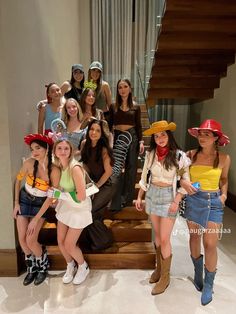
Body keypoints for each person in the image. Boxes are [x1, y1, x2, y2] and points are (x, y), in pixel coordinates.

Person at [135, 120, 190, 295]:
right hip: (152, 195)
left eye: (163, 134)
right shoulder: (151, 154)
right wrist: (139, 197)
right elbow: (144, 177)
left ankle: (165, 277)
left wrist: (177, 200)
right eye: (157, 136)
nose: (160, 138)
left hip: (169, 197)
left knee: (165, 239)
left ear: (169, 135)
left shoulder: (179, 156)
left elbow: (185, 181)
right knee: (158, 237)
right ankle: (159, 270)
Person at [27, 139, 92, 285]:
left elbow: (81, 196)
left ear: (71, 151)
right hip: (65, 207)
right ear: (55, 151)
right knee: (60, 241)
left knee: (69, 244)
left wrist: (58, 195)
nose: (63, 151)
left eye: (66, 148)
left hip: (79, 209)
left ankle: (83, 266)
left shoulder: (74, 168)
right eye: (60, 148)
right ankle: (70, 265)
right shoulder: (58, 167)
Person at [180, 119, 230, 306]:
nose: (202, 137)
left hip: (214, 202)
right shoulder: (190, 155)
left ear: (216, 138)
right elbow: (179, 175)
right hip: (193, 200)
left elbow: (224, 179)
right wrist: (184, 183)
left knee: (210, 243)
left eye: (207, 134)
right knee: (194, 238)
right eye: (201, 133)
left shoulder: (224, 158)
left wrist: (224, 195)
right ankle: (197, 273)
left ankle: (209, 284)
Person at [13, 134, 59, 285]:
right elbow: (18, 181)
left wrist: (36, 219)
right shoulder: (28, 163)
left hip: (41, 205)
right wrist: (16, 203)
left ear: (46, 148)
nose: (34, 152)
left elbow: (51, 198)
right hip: (25, 200)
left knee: (31, 239)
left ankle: (43, 265)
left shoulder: (54, 170)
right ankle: (32, 268)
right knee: (22, 239)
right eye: (32, 149)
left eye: (37, 148)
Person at [109, 78, 145, 210]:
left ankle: (128, 199)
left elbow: (139, 126)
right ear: (117, 90)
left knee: (131, 168)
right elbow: (109, 125)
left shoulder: (136, 107)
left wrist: (141, 141)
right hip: (118, 137)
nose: (122, 90)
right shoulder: (113, 106)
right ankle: (116, 201)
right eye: (120, 87)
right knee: (117, 169)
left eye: (125, 86)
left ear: (130, 88)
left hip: (132, 138)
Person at [80, 119, 114, 250]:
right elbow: (86, 165)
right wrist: (86, 182)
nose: (94, 132)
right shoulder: (84, 144)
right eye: (92, 129)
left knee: (90, 212)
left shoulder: (104, 149)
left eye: (97, 130)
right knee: (89, 213)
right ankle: (95, 241)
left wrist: (96, 187)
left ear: (102, 134)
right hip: (92, 184)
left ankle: (105, 240)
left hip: (105, 185)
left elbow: (108, 172)